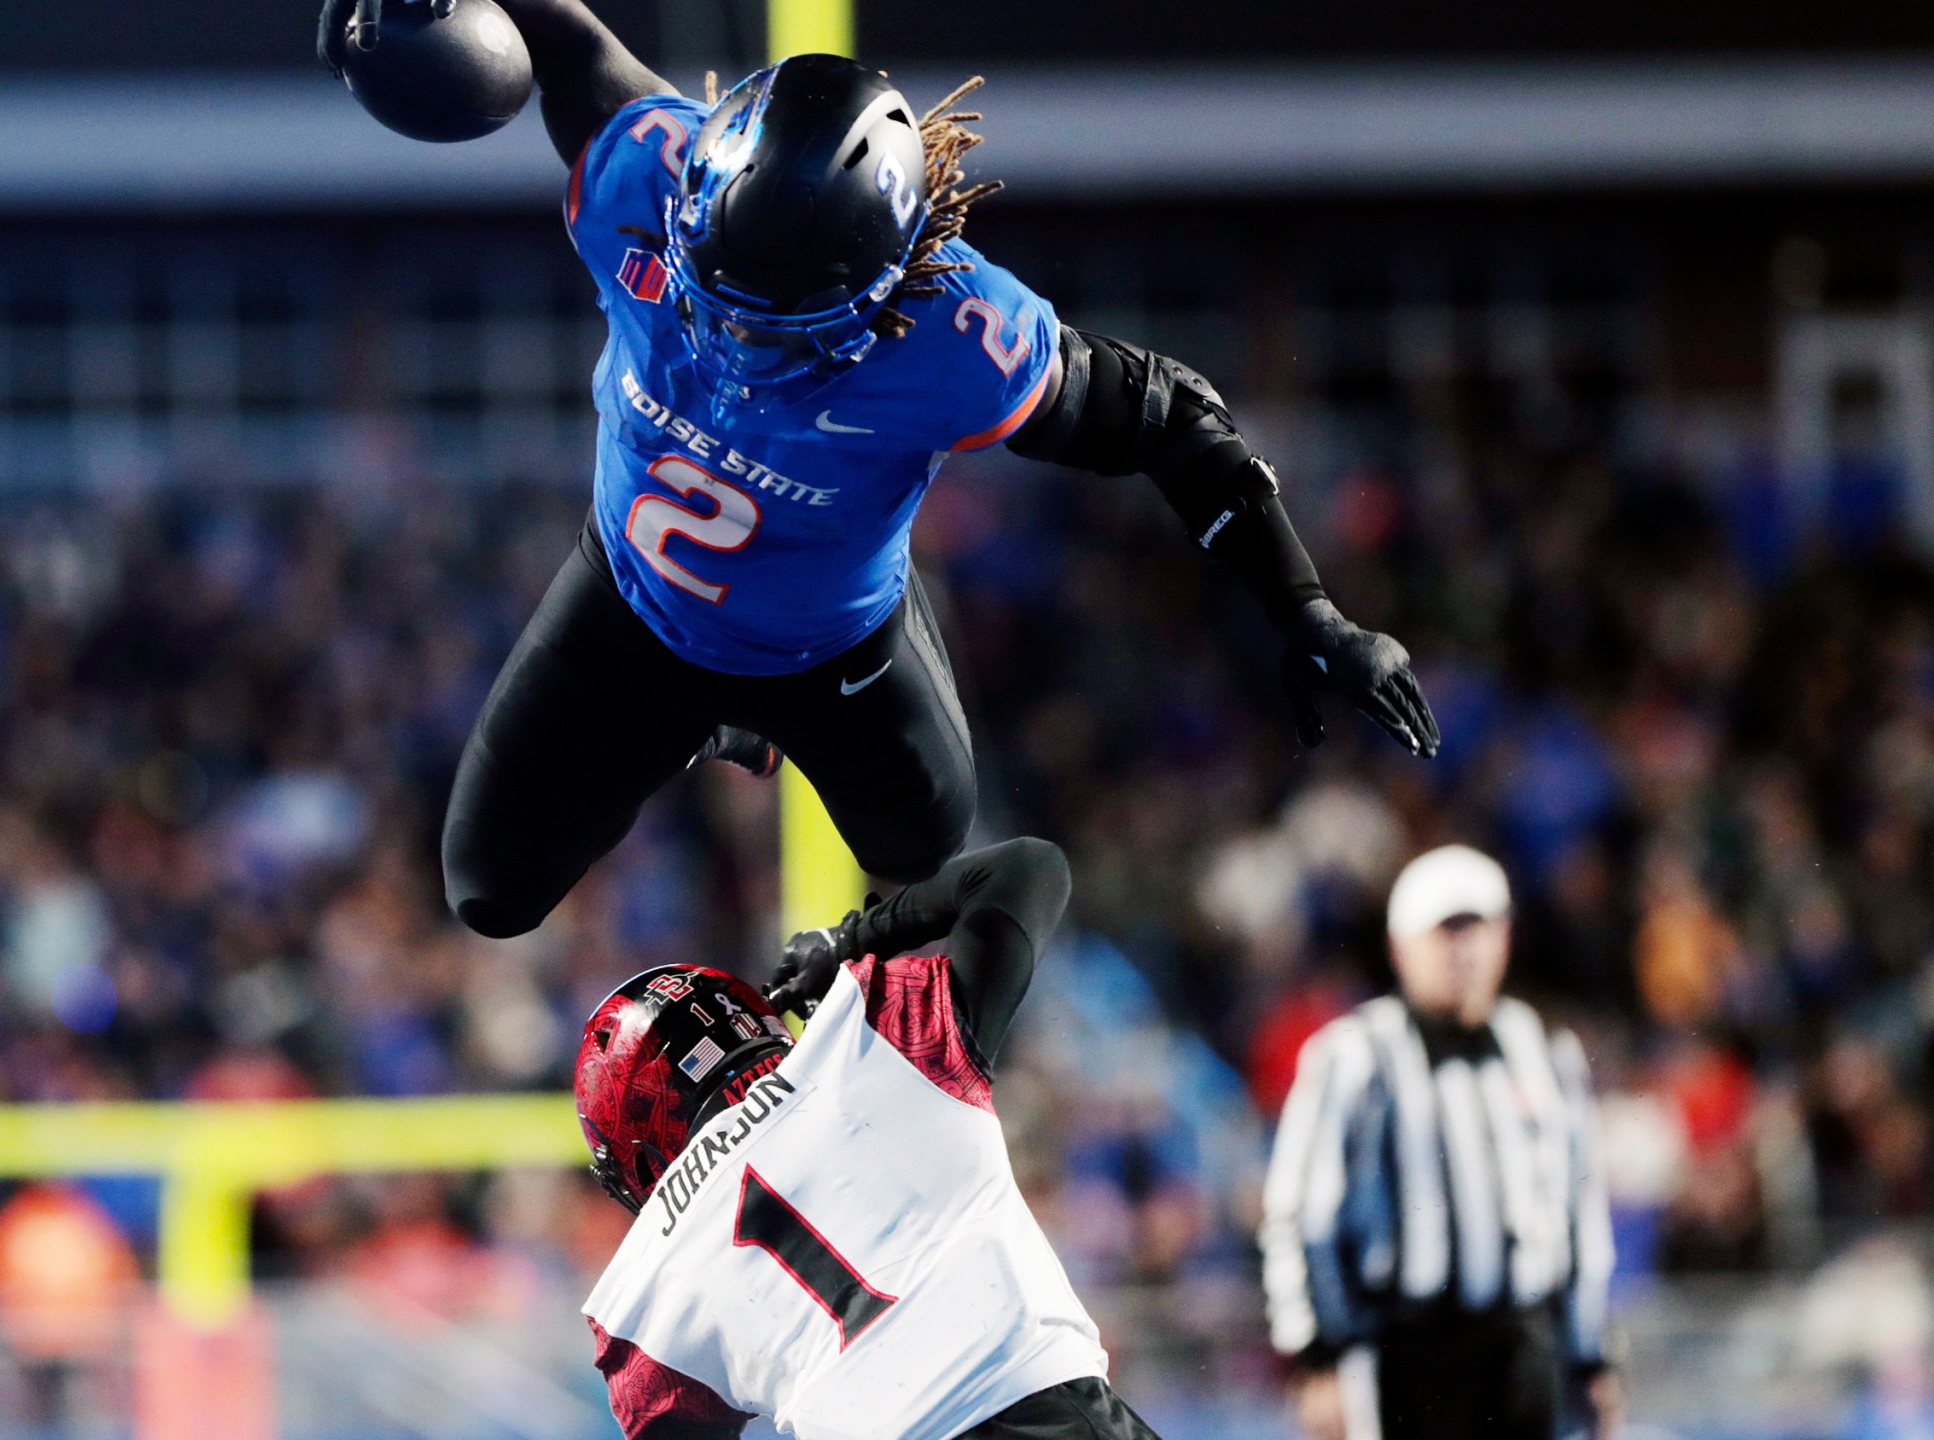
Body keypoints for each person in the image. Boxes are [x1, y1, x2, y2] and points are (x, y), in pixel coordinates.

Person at [316, 0, 1442, 940]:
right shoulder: (646, 177)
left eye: (782, 321)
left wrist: (1305, 609)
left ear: (887, 285)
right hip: (633, 605)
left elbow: (1175, 421)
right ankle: (713, 719)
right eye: (721, 297)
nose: (738, 342)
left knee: (922, 849)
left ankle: (802, 688)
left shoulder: (953, 330)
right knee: (488, 894)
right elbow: (564, 40)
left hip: (830, 647)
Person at [567, 837, 1168, 1440]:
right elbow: (1030, 869)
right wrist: (853, 941)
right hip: (1037, 1402)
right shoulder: (870, 1042)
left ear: (636, 1148)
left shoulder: (639, 1296)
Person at [1260, 844, 1620, 1440]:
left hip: (1523, 1345)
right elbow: (1301, 1209)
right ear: (1402, 946)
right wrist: (1317, 1354)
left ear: (1504, 937)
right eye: (1444, 931)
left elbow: (1580, 1210)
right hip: (1406, 1348)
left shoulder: (1545, 1049)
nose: (1463, 949)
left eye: (1477, 928)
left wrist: (1591, 1353)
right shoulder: (1357, 1054)